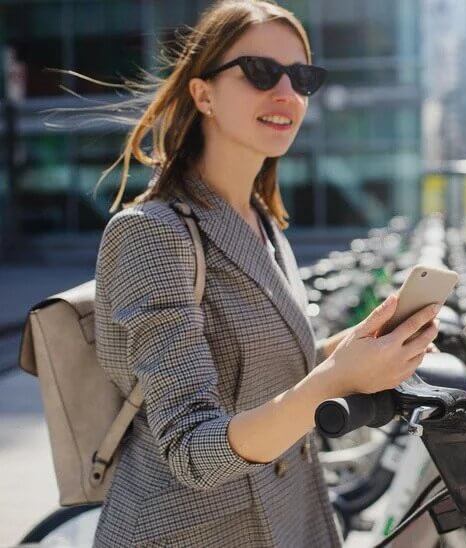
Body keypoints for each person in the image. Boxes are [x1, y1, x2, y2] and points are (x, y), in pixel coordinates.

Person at [89, 2, 441, 546]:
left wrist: (357, 347)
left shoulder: (261, 218)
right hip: (195, 532)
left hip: (286, 515)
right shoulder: (152, 233)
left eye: (301, 78)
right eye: (259, 73)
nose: (286, 94)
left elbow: (262, 375)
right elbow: (192, 450)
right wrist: (338, 378)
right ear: (202, 94)